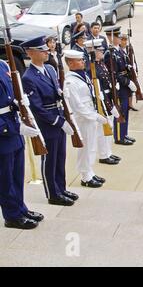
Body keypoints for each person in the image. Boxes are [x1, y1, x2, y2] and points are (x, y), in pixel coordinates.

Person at [21, 36, 78, 206]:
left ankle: (61, 188)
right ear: (30, 53)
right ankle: (53, 194)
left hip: (59, 116)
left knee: (60, 157)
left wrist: (62, 93)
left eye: (46, 49)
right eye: (41, 50)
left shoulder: (51, 70)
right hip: (48, 123)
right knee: (50, 159)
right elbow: (38, 108)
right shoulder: (28, 77)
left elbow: (56, 91)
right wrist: (60, 122)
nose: (46, 52)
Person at [0, 59, 44, 229]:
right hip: (5, 131)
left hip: (13, 126)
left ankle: (20, 208)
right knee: (5, 179)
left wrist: (19, 104)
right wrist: (14, 128)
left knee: (17, 175)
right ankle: (11, 216)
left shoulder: (3, 65)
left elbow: (10, 93)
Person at [63, 50, 107, 188]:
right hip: (83, 119)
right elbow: (77, 106)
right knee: (86, 147)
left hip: (91, 116)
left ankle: (90, 171)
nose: (83, 62)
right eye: (80, 60)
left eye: (83, 59)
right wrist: (95, 116)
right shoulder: (70, 81)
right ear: (70, 63)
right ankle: (85, 176)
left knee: (91, 146)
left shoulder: (83, 76)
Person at [85, 39, 122, 166]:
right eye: (99, 51)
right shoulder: (90, 68)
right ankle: (103, 155)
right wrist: (109, 105)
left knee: (109, 128)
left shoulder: (100, 63)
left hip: (108, 98)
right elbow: (97, 89)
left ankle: (108, 152)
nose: (102, 52)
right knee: (103, 130)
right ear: (93, 52)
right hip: (102, 102)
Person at [104, 26, 136, 146]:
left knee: (126, 109)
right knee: (120, 110)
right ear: (110, 37)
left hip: (124, 85)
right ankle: (119, 137)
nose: (119, 38)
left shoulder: (120, 50)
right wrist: (128, 82)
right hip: (119, 86)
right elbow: (113, 74)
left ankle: (124, 133)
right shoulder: (110, 53)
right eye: (117, 36)